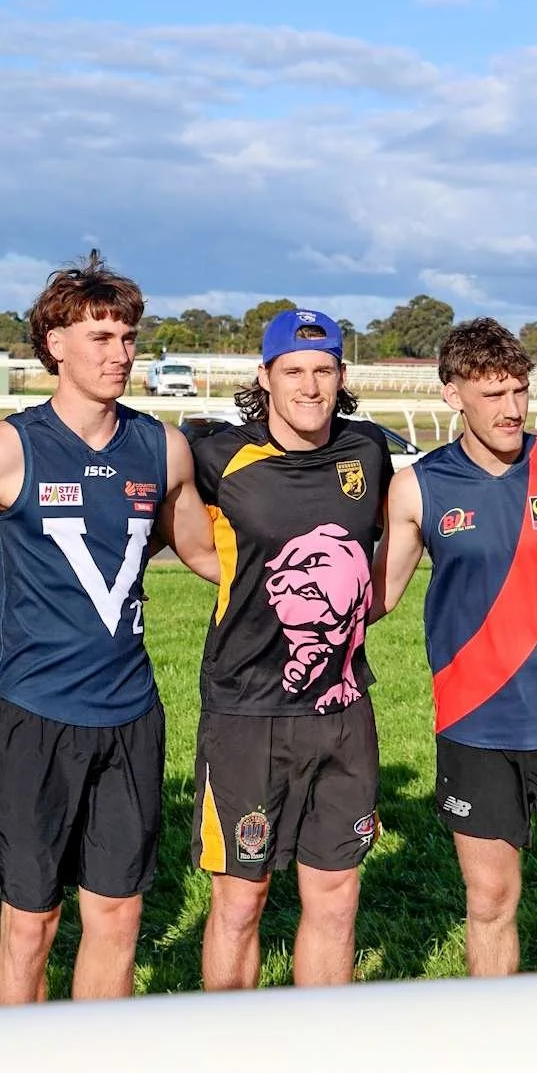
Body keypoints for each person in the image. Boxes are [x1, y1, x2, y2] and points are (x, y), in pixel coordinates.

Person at [0, 252, 219, 1005]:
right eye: (101, 338)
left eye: (127, 337)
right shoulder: (2, 448)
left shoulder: (163, 447)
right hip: (34, 720)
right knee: (31, 923)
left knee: (118, 914)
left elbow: (200, 552)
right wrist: (3, 574)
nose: (120, 354)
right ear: (55, 343)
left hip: (130, 716)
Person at [381, 317, 537, 975]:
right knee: (490, 903)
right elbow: (374, 599)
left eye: (519, 391)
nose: (512, 408)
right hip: (474, 725)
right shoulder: (419, 487)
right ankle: (494, 1053)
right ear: (453, 396)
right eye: (493, 394)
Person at [188, 309, 392, 990]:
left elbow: (396, 536)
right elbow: (179, 537)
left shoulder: (368, 452)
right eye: (294, 371)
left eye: (324, 370)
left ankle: (322, 1061)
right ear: (265, 377)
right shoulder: (219, 455)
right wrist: (249, 582)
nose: (310, 386)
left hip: (342, 711)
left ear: (341, 375)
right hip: (246, 712)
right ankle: (228, 1060)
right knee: (241, 901)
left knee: (336, 898)